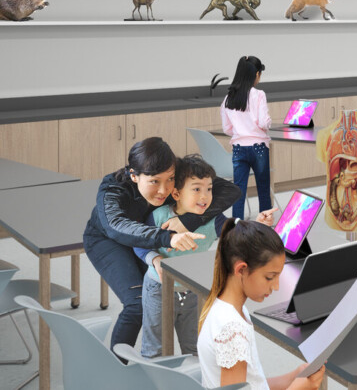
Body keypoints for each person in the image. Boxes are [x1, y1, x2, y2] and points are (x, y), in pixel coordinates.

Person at [83, 137, 239, 350]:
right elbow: (114, 226)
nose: (164, 190)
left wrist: (187, 221)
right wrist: (168, 237)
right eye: (154, 181)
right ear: (134, 176)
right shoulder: (113, 188)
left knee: (157, 291)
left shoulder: (174, 170)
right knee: (137, 303)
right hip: (109, 241)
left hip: (153, 238)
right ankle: (116, 369)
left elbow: (229, 190)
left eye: (171, 179)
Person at [137, 155, 276, 359]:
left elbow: (237, 230)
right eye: (196, 189)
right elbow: (140, 244)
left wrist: (257, 225)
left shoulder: (213, 219)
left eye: (209, 189)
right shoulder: (159, 216)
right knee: (154, 349)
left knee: (195, 348)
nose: (205, 196)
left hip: (194, 292)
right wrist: (155, 260)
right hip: (158, 289)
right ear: (176, 193)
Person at [197, 220, 325, 390]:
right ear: (241, 269)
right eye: (270, 277)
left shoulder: (227, 309)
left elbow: (254, 385)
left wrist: (292, 378)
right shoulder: (233, 330)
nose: (276, 286)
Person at [220, 55, 271, 219]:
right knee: (263, 189)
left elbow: (227, 128)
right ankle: (265, 228)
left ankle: (236, 230)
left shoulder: (228, 98)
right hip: (259, 148)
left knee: (239, 191)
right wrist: (266, 124)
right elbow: (264, 122)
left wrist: (241, 131)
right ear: (256, 74)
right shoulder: (259, 95)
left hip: (239, 149)